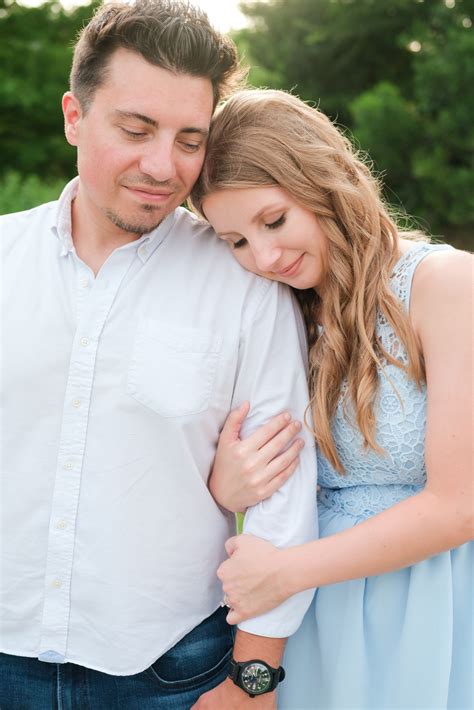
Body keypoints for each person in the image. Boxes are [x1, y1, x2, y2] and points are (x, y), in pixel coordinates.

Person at [0, 6, 318, 709]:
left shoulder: (244, 282)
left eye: (189, 140)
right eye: (136, 129)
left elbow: (284, 504)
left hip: (173, 673)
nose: (161, 166)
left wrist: (252, 682)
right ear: (75, 117)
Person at [189, 88, 473, 709]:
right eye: (235, 241)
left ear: (324, 181)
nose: (263, 257)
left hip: (427, 605)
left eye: (273, 220)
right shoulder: (279, 312)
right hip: (310, 622)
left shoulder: (446, 285)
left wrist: (288, 572)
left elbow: (459, 505)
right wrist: (226, 488)